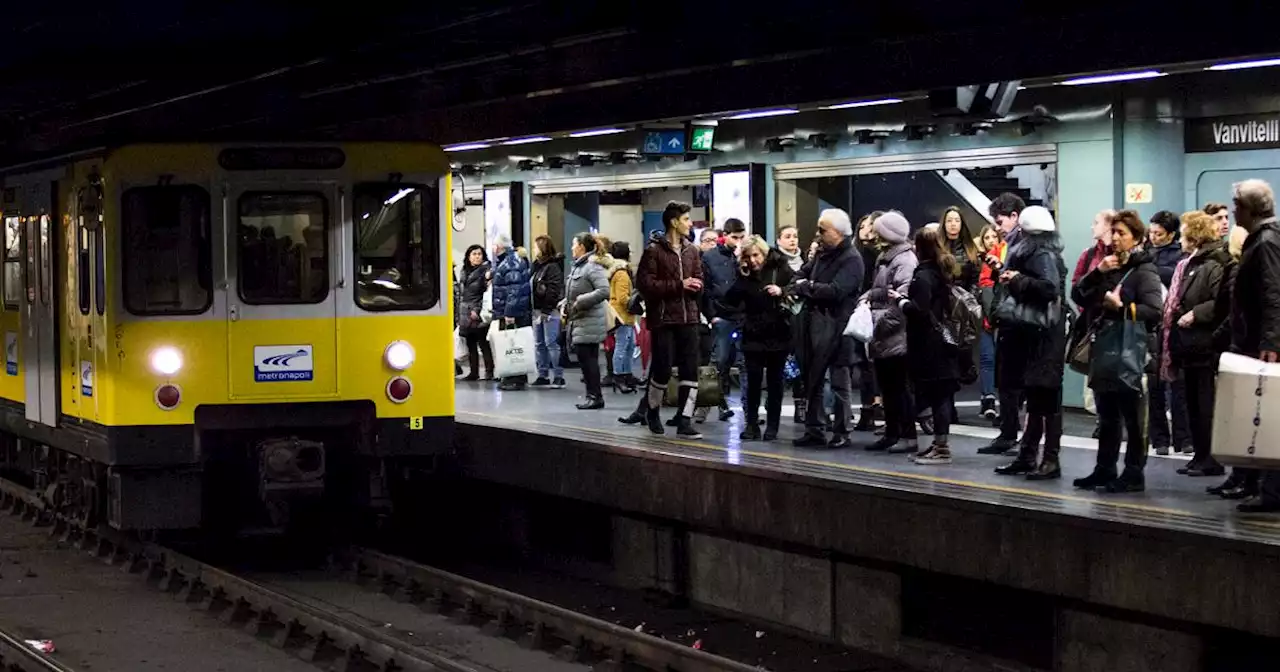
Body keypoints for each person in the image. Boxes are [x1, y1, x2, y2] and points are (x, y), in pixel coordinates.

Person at [1072, 210, 1164, 493]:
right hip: (1107, 349)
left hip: (1134, 353)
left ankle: (1134, 473)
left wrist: (1123, 309)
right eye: (1113, 232)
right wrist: (1097, 273)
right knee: (1107, 414)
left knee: (1135, 419)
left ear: (1136, 238)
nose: (1114, 239)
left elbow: (1154, 311)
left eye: (1121, 233)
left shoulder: (1144, 270)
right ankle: (1104, 468)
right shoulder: (1108, 267)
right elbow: (1077, 295)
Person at [989, 206, 1068, 480]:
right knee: (1038, 399)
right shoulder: (1044, 251)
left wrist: (1017, 279)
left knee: (1045, 399)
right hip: (1039, 335)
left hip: (1042, 337)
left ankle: (1048, 459)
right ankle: (1030, 455)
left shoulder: (1040, 253)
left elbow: (1048, 289)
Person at [620, 201, 705, 438]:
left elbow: (699, 276)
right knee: (662, 370)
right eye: (686, 219)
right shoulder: (654, 251)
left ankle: (685, 420)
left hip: (689, 317)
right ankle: (653, 411)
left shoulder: (692, 251)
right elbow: (646, 285)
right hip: (664, 319)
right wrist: (680, 285)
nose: (690, 224)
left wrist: (697, 285)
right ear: (674, 222)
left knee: (691, 371)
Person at [1222, 180, 1280, 513]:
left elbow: (1273, 293)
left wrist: (1270, 341)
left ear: (1250, 208)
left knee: (1269, 417)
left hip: (1261, 342)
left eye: (1236, 203)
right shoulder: (1262, 240)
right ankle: (1258, 484)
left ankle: (1271, 491)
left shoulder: (1267, 242)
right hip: (1255, 338)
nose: (1232, 210)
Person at [1165, 210, 1230, 478]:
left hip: (1203, 345)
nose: (1180, 238)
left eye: (1183, 233)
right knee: (1192, 402)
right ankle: (1199, 455)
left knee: (1204, 404)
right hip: (1189, 346)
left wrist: (1196, 313)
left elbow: (1220, 301)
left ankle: (1210, 458)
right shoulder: (1193, 264)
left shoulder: (1213, 264)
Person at [791, 209, 862, 449]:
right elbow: (801, 273)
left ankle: (842, 430)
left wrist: (806, 286)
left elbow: (836, 291)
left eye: (823, 230)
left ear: (839, 232)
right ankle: (815, 429)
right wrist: (808, 284)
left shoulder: (852, 258)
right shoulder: (823, 254)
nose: (818, 234)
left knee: (840, 381)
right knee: (814, 379)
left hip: (840, 327)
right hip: (817, 325)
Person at [895, 226, 960, 464]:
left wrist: (902, 302)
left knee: (937, 395)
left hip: (930, 344)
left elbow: (920, 311)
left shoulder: (923, 276)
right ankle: (938, 444)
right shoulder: (942, 272)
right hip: (944, 339)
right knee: (940, 395)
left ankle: (941, 447)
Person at [726, 236, 794, 440]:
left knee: (775, 382)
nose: (753, 260)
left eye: (756, 255)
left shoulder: (780, 269)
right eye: (748, 256)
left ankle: (772, 426)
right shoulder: (744, 274)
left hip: (778, 331)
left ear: (763, 252)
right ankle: (752, 424)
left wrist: (781, 292)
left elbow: (796, 289)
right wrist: (741, 274)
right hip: (753, 333)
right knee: (752, 382)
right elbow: (730, 299)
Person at [978, 193, 1028, 455]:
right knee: (1007, 380)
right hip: (1011, 319)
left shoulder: (1026, 245)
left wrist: (1007, 274)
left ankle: (1015, 436)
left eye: (1000, 221)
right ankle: (1010, 433)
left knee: (1015, 382)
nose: (997, 227)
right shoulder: (1012, 244)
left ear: (1014, 217)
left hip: (1020, 321)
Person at [864, 211, 918, 453]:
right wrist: (865, 300)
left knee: (899, 387)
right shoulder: (885, 259)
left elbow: (901, 301)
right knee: (888, 387)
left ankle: (907, 435)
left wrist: (877, 323)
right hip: (884, 335)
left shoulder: (904, 261)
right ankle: (892, 432)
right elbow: (880, 291)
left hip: (895, 336)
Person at [703, 218, 748, 422]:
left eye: (741, 237)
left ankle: (749, 409)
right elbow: (706, 289)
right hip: (722, 316)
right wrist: (712, 315)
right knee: (720, 362)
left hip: (743, 315)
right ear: (725, 236)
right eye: (734, 237)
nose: (738, 241)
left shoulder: (746, 255)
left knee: (744, 363)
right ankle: (717, 405)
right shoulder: (710, 257)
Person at [564, 233, 611, 410]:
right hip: (579, 321)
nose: (571, 248)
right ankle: (592, 395)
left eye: (573, 244)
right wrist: (565, 303)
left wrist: (581, 301)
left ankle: (595, 396)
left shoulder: (592, 267)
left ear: (582, 247)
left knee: (589, 361)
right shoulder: (578, 267)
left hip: (589, 322)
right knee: (586, 361)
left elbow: (604, 291)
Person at [852, 212, 884, 431]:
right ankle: (867, 409)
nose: (866, 229)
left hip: (879, 311)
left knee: (876, 364)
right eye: (863, 225)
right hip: (861, 312)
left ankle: (876, 405)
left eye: (870, 225)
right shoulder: (856, 253)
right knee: (864, 365)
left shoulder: (882, 254)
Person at [491, 234, 533, 391]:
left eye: (495, 245)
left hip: (513, 313)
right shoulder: (507, 262)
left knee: (513, 345)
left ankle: (516, 378)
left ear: (500, 247)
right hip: (512, 311)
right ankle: (512, 376)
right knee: (512, 345)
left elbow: (514, 290)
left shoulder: (510, 263)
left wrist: (509, 312)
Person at [976, 224, 1005, 421]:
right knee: (987, 358)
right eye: (987, 237)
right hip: (986, 316)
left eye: (994, 236)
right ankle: (988, 398)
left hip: (1002, 316)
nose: (991, 240)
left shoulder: (1005, 254)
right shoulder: (983, 261)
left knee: (1002, 361)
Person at [529, 235, 566, 389]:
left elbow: (553, 290)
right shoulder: (536, 265)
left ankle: (558, 376)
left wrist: (546, 310)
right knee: (539, 344)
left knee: (551, 343)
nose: (533, 249)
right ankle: (542, 374)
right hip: (536, 310)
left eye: (536, 246)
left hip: (549, 311)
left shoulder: (552, 267)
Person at [456, 244, 493, 381]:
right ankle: (474, 371)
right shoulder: (464, 271)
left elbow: (486, 293)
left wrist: (476, 310)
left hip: (478, 310)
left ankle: (489, 371)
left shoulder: (486, 272)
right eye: (474, 254)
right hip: (465, 311)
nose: (477, 256)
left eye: (479, 254)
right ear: (468, 256)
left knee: (483, 343)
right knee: (470, 343)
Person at [607, 241, 638, 393]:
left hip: (624, 316)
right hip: (623, 316)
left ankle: (626, 374)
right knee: (622, 347)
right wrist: (637, 306)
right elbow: (623, 298)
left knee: (629, 346)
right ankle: (619, 376)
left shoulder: (618, 271)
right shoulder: (622, 273)